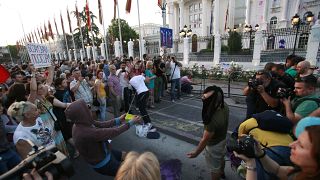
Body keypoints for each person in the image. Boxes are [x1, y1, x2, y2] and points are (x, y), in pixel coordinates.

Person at [65, 99, 142, 176]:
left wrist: (118, 120)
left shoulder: (80, 122)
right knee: (127, 173)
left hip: (104, 152)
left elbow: (101, 124)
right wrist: (131, 122)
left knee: (126, 155)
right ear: (81, 113)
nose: (90, 108)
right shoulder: (85, 132)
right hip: (103, 163)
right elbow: (114, 131)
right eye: (87, 107)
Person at [234, 117, 320, 180]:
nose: (291, 145)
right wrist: (260, 154)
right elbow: (277, 170)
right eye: (297, 140)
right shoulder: (303, 172)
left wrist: (250, 163)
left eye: (301, 145)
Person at [187, 86, 229, 180]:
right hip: (222, 139)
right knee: (221, 158)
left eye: (205, 98)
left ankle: (218, 174)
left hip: (214, 145)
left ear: (212, 101)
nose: (202, 98)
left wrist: (196, 152)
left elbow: (205, 139)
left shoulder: (212, 120)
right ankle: (222, 172)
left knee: (214, 168)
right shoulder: (224, 105)